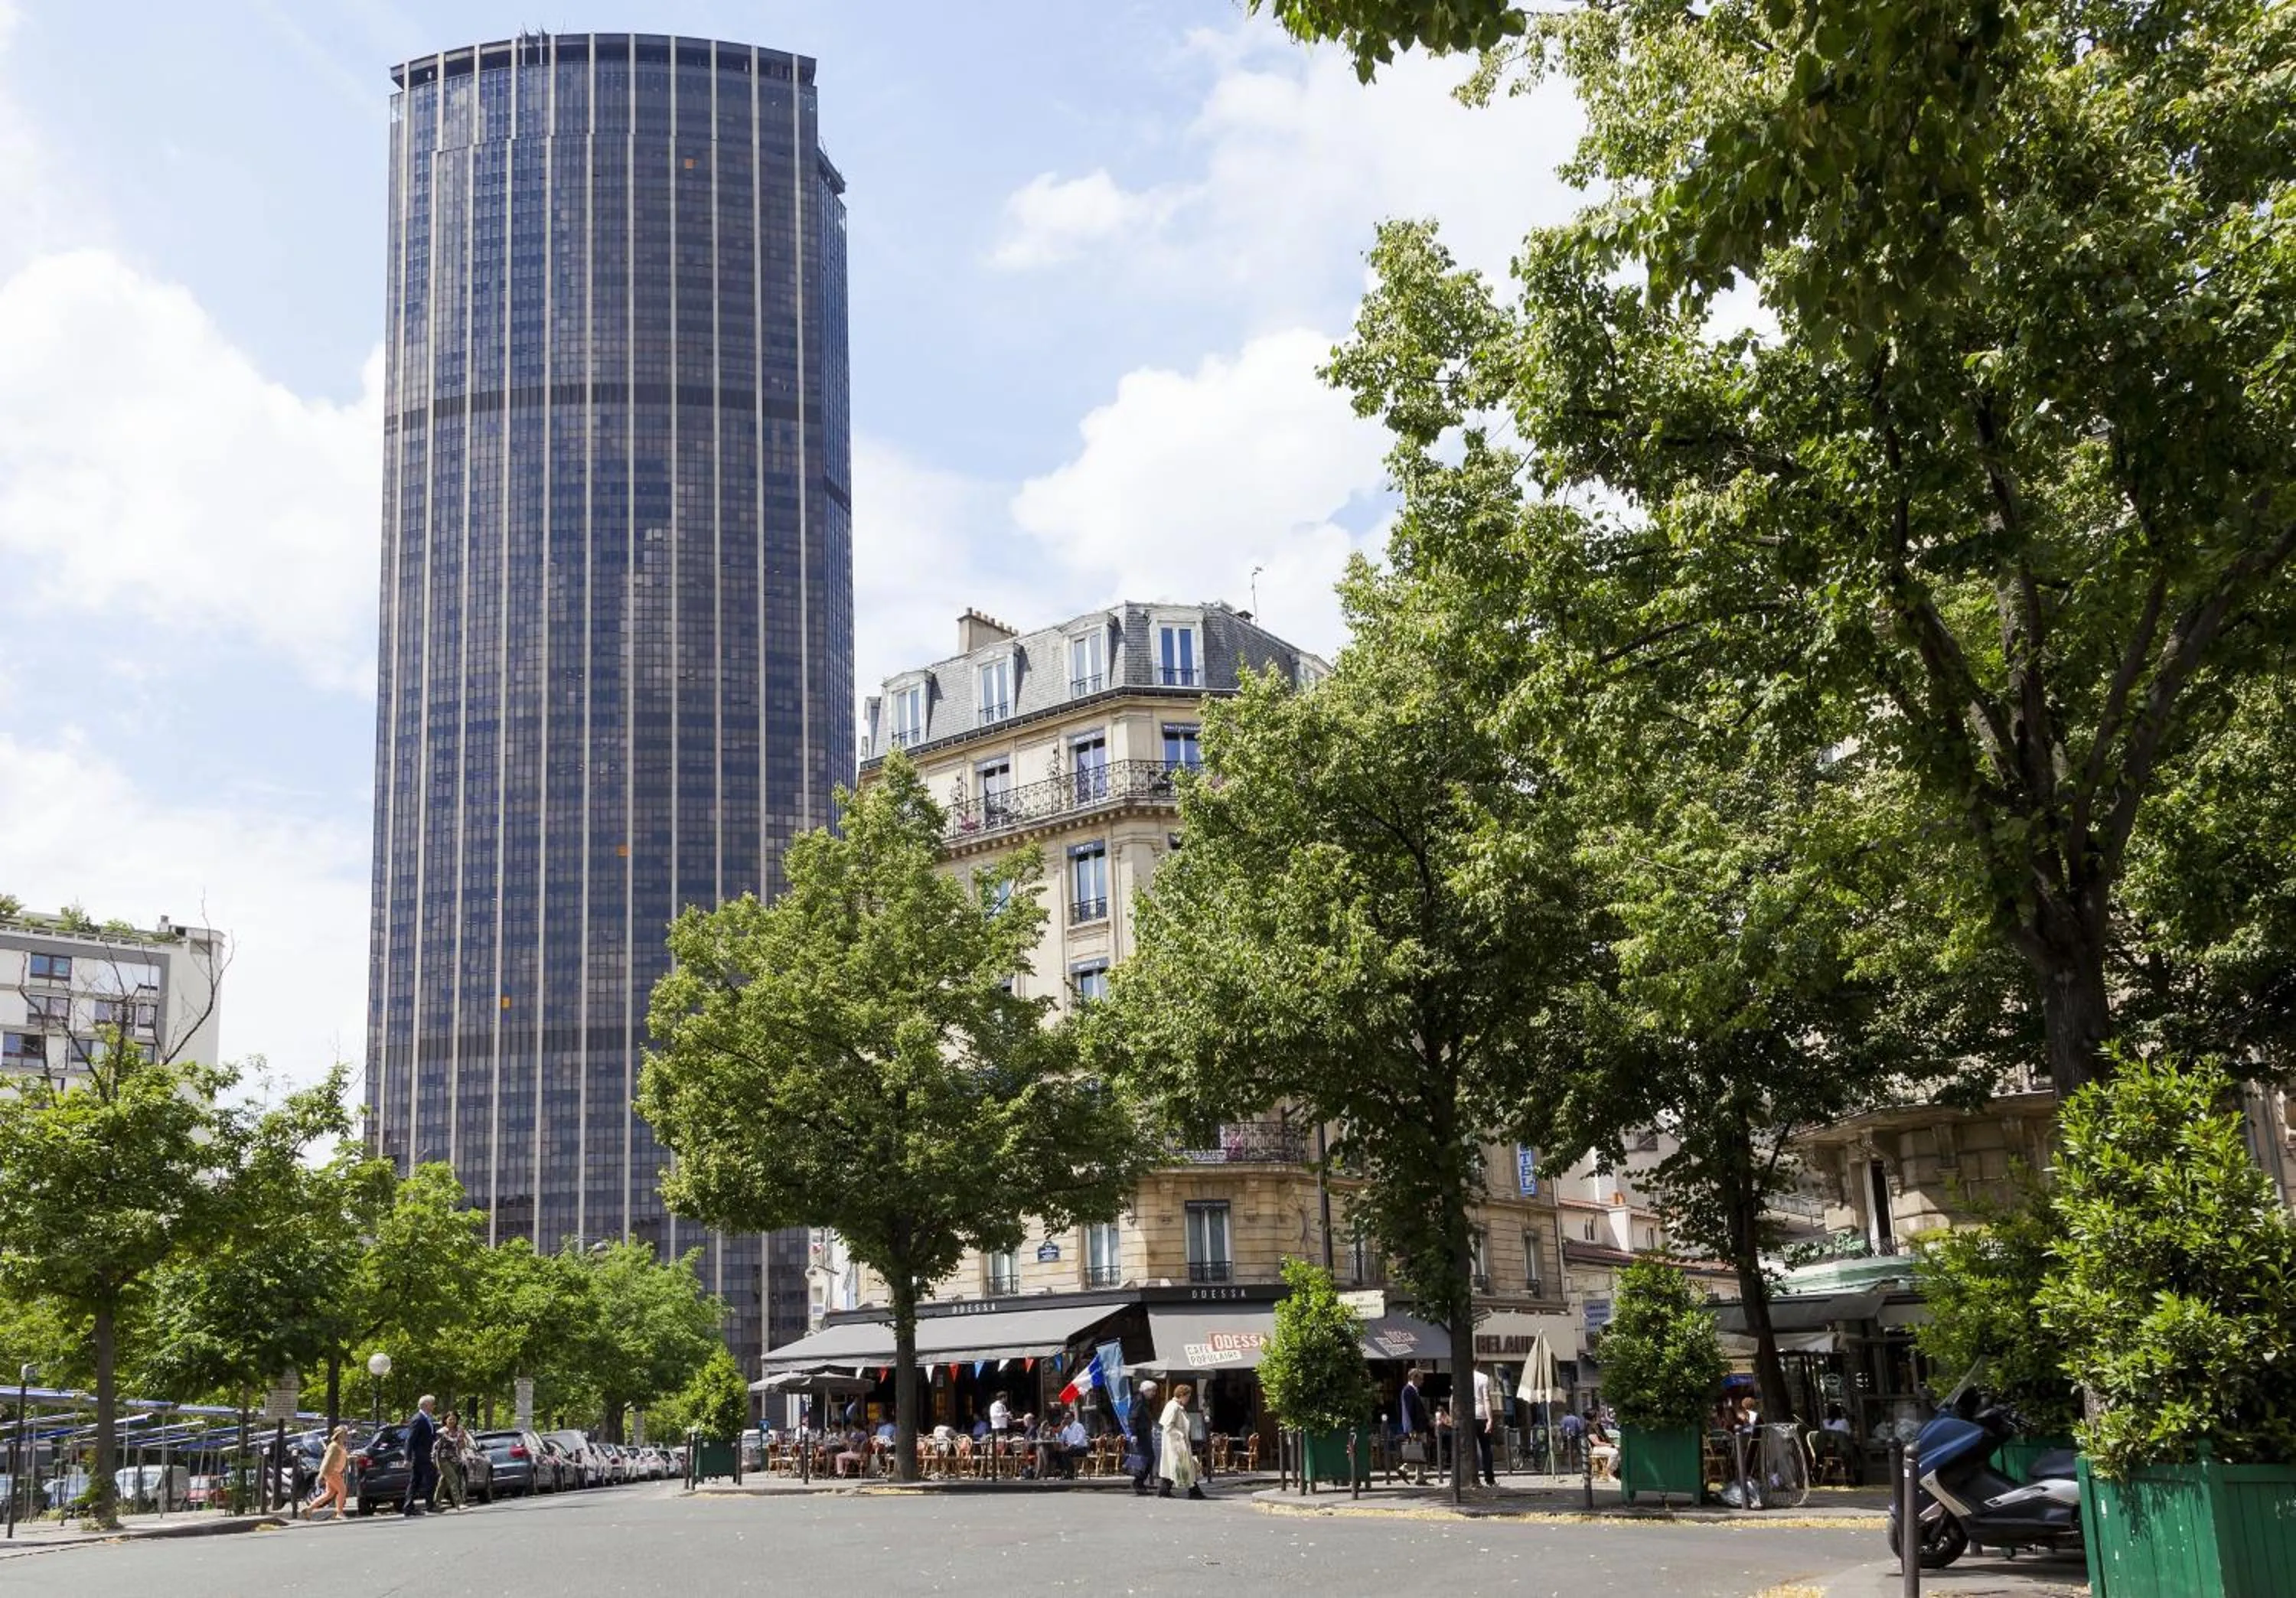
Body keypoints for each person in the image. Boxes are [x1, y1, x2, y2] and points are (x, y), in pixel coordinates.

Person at [1157, 1383, 1205, 1499]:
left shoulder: (1177, 1406)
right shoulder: (1173, 1407)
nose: (1188, 1399)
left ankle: (1165, 1490)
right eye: (1187, 1396)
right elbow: (1168, 1426)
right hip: (1175, 1444)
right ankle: (1194, 1491)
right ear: (1182, 1395)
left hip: (1179, 1443)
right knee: (1181, 1466)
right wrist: (1180, 1434)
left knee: (1176, 1467)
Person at [402, 1394, 439, 1516]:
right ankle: (430, 1505)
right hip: (421, 1456)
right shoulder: (418, 1419)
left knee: (415, 1481)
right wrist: (407, 1458)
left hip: (425, 1454)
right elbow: (410, 1439)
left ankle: (408, 1507)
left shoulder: (427, 1418)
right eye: (432, 1404)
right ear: (426, 1405)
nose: (434, 1406)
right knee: (431, 1478)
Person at [306, 1424, 352, 1520]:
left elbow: (342, 1457)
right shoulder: (333, 1446)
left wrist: (351, 1458)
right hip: (332, 1471)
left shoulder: (340, 1445)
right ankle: (339, 1513)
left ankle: (309, 1509)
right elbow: (326, 1460)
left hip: (335, 1471)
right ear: (339, 1435)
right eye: (345, 1433)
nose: (347, 1435)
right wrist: (321, 1475)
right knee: (342, 1490)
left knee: (329, 1493)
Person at [1398, 1367, 1433, 1485]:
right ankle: (1404, 1469)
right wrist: (1410, 1429)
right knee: (1417, 1450)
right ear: (1414, 1378)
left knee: (1420, 1451)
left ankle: (1420, 1477)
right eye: (1421, 1379)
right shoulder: (1408, 1391)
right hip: (1416, 1427)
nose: (1422, 1382)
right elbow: (1407, 1411)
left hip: (1419, 1426)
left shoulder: (1414, 1390)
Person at [432, 1409, 470, 1512]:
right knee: (454, 1479)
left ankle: (436, 1503)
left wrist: (462, 1439)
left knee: (444, 1482)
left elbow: (462, 1446)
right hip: (442, 1459)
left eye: (454, 1419)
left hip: (455, 1459)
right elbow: (435, 1446)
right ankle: (459, 1503)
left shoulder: (460, 1430)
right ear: (445, 1420)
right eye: (450, 1419)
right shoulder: (441, 1432)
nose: (452, 1421)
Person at [1128, 1380, 1160, 1496]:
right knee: (1147, 1459)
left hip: (1144, 1433)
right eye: (1153, 1391)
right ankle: (1138, 1482)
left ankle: (1139, 1483)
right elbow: (1132, 1417)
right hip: (1140, 1434)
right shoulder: (1139, 1400)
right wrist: (1134, 1434)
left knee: (1148, 1459)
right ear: (1146, 1390)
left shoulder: (1144, 1401)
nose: (1154, 1393)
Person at [1472, 1366, 1498, 1487]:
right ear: (1477, 1363)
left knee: (1469, 1449)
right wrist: (1490, 1419)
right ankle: (1489, 1479)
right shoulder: (1483, 1378)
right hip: (1481, 1415)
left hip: (1467, 1417)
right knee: (1486, 1448)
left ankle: (1473, 1477)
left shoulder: (1458, 1377)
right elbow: (1486, 1399)